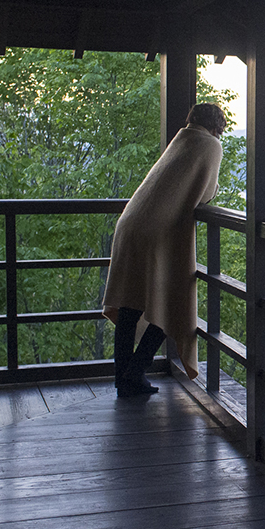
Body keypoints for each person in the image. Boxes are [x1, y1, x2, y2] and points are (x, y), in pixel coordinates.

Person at [103, 102, 226, 397]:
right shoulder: (210, 145)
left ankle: (124, 378)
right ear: (216, 126)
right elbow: (206, 193)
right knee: (171, 305)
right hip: (157, 233)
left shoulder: (181, 138)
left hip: (130, 225)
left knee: (130, 305)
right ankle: (135, 373)